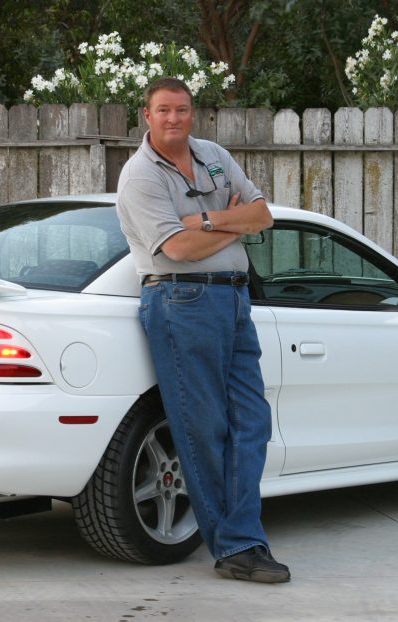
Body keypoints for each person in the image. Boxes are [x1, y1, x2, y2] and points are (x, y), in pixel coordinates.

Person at [115, 77, 289, 584]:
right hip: (181, 301)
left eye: (183, 110)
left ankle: (244, 536)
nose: (174, 119)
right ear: (146, 116)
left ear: (194, 113)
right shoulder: (140, 176)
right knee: (203, 428)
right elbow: (177, 251)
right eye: (164, 110)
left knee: (252, 423)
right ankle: (238, 546)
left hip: (235, 299)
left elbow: (263, 215)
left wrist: (204, 221)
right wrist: (232, 221)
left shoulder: (213, 153)